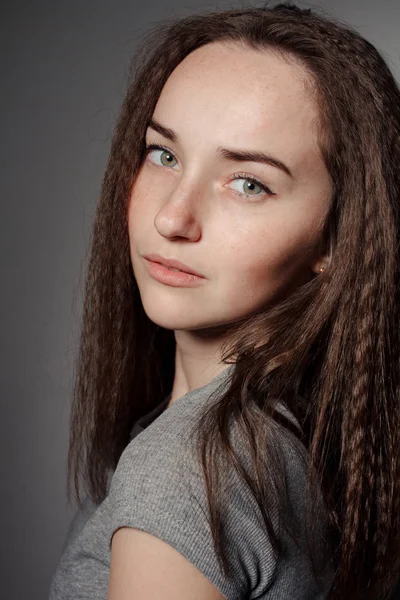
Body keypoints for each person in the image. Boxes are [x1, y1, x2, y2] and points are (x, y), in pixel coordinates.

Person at [48, 2, 400, 599]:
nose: (172, 217)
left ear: (338, 238)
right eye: (164, 154)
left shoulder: (185, 470)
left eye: (249, 183)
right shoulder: (322, 438)